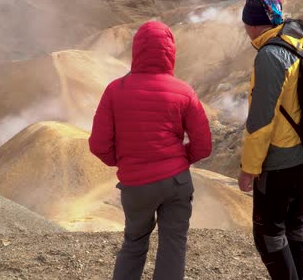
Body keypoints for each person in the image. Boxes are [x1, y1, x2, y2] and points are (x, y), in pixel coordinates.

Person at [89, 20, 212, 280]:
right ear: (170, 52)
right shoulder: (184, 91)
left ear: (137, 51)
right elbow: (204, 146)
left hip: (135, 185)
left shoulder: (115, 90)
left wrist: (124, 162)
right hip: (176, 181)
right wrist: (179, 160)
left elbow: (98, 145)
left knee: (134, 244)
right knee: (173, 245)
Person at [238, 0, 303, 280]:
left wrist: (249, 170)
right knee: (295, 227)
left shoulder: (270, 56)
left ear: (255, 24)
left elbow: (261, 121)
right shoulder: (300, 43)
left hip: (281, 164)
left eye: (246, 22)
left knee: (268, 235)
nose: (245, 28)